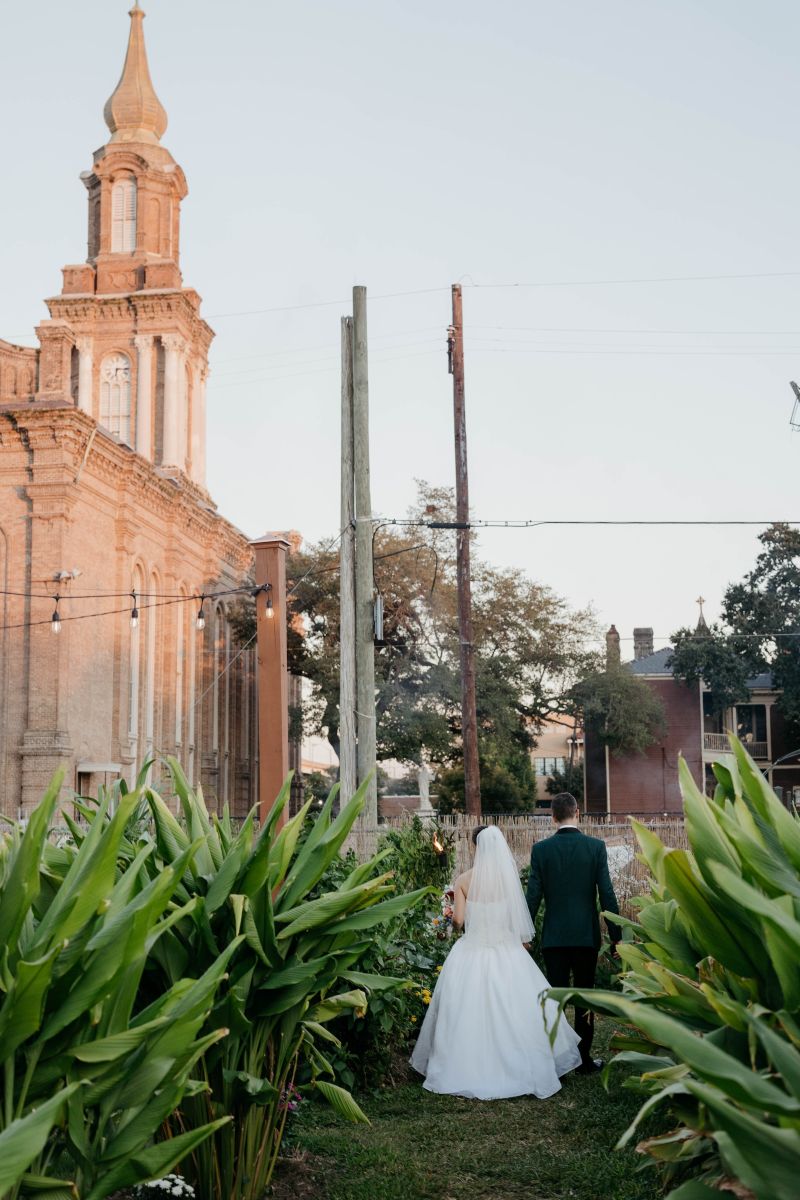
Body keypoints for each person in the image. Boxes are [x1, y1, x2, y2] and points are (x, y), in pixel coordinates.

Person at [410, 825, 581, 1099]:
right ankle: (527, 1064)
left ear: (476, 847)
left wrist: (449, 911)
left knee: (464, 1010)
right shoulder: (507, 880)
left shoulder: (464, 880)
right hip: (506, 950)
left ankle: (466, 1066)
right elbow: (515, 919)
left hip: (473, 950)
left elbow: (459, 921)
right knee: (519, 1008)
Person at [526, 792, 621, 1074]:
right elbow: (607, 894)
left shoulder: (541, 850)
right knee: (584, 996)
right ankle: (584, 1059)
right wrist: (616, 935)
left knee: (555, 997)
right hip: (585, 937)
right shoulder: (595, 847)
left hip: (554, 937)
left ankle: (556, 1059)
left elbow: (532, 897)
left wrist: (524, 934)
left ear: (552, 816)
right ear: (577, 813)